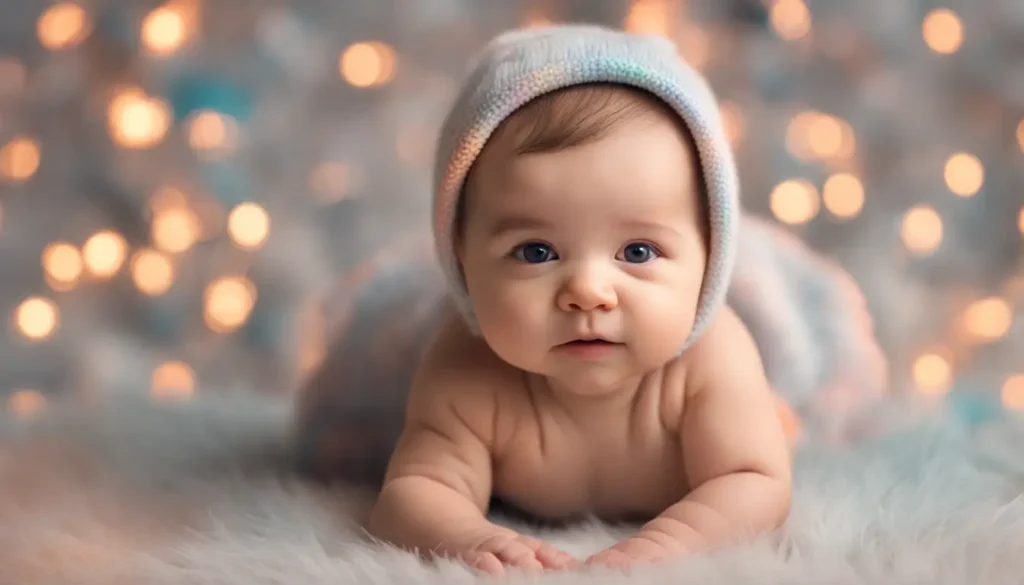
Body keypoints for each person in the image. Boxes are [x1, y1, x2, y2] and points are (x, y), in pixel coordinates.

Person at [365, 24, 792, 574]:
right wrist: (464, 536)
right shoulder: (464, 369)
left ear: (710, 261)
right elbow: (412, 491)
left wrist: (670, 542)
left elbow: (756, 482)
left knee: (785, 417)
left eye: (637, 251)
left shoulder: (712, 359)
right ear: (461, 261)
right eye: (536, 252)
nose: (588, 292)